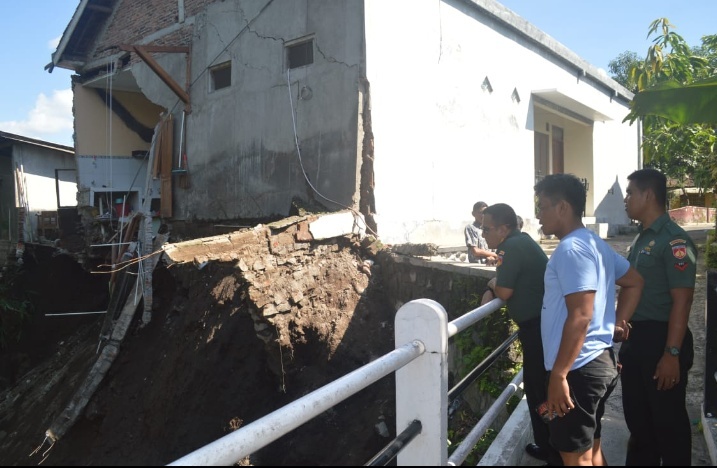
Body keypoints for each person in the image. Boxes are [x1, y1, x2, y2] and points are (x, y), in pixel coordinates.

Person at [535, 173, 644, 466]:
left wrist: (558, 375)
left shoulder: (572, 249)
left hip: (578, 368)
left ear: (562, 208)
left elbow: (581, 315)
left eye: (542, 207)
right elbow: (634, 281)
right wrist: (617, 323)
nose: (538, 216)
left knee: (576, 458)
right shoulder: (594, 243)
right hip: (596, 361)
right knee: (591, 451)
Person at [619, 168, 697, 465]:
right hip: (638, 339)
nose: (625, 199)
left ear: (647, 195)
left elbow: (683, 299)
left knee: (669, 424)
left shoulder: (674, 240)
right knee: (639, 422)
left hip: (662, 338)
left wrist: (672, 353)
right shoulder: (641, 239)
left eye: (630, 193)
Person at [480, 203, 562, 466]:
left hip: (537, 329)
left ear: (503, 229)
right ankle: (552, 447)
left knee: (539, 391)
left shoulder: (510, 247)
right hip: (542, 326)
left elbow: (504, 291)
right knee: (539, 387)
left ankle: (553, 452)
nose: (483, 234)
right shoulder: (522, 241)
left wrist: (492, 285)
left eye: (486, 228)